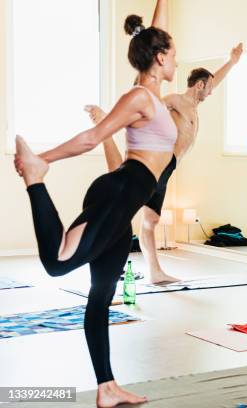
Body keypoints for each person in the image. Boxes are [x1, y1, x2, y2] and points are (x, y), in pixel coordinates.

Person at [13, 1, 177, 406]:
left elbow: (157, 32)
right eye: (173, 54)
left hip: (125, 203)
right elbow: (92, 138)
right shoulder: (139, 97)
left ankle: (107, 388)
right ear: (159, 58)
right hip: (118, 192)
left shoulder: (153, 93)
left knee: (101, 294)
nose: (176, 59)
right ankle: (36, 182)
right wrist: (42, 161)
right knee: (57, 263)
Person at [86, 43, 244, 285]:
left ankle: (155, 272)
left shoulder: (194, 107)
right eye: (209, 88)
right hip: (159, 160)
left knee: (150, 221)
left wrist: (232, 62)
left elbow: (215, 80)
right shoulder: (175, 100)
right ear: (199, 85)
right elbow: (145, 104)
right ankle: (104, 126)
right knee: (124, 198)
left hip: (168, 168)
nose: (212, 92)